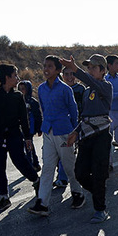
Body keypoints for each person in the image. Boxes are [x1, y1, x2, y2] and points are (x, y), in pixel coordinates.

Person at [0, 64, 40, 213]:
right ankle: (4, 197)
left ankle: (37, 182)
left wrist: (27, 137)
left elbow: (24, 119)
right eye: (15, 75)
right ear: (7, 77)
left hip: (14, 135)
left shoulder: (18, 96)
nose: (18, 79)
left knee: (20, 161)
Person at [29, 55, 86, 216]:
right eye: (44, 66)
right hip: (48, 132)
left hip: (64, 133)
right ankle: (42, 203)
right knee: (47, 168)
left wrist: (74, 132)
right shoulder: (41, 89)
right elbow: (43, 109)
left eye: (50, 66)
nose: (46, 69)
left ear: (58, 70)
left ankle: (78, 193)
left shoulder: (65, 89)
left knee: (69, 167)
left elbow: (73, 111)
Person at [62, 54, 114, 223]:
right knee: (80, 173)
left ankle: (100, 209)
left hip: (101, 136)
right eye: (88, 67)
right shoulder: (86, 92)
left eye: (93, 67)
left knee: (99, 174)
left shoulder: (106, 87)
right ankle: (100, 195)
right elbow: (84, 116)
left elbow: (91, 82)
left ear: (103, 70)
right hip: (86, 136)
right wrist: (75, 132)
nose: (90, 70)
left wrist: (75, 69)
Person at [18, 80, 42, 171]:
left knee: (28, 145)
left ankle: (30, 164)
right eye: (20, 89)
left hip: (30, 127)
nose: (21, 91)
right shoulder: (18, 100)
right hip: (21, 127)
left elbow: (38, 115)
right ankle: (35, 163)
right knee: (28, 145)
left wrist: (39, 128)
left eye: (23, 89)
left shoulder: (32, 102)